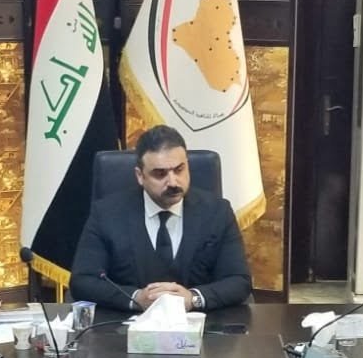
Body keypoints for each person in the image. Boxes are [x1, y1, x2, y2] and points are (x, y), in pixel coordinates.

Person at [70, 125, 251, 311]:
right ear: (140, 176)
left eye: (179, 170)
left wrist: (193, 298)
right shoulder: (106, 214)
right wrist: (135, 298)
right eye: (160, 174)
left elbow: (239, 281)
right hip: (126, 324)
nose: (173, 182)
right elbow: (83, 281)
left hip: (202, 324)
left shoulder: (217, 212)